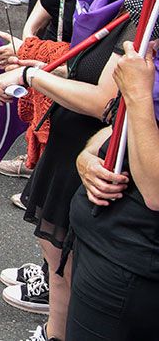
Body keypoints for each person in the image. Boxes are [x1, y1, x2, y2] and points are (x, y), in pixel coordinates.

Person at [0, 0, 157, 341]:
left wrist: (31, 74)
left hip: (126, 228)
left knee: (66, 265)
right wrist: (28, 56)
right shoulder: (119, 3)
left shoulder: (142, 23)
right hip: (78, 148)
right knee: (59, 258)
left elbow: (108, 99)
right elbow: (86, 65)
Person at [68, 29, 159, 339]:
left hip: (132, 265)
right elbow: (124, 128)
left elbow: (156, 191)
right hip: (103, 242)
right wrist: (89, 156)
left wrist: (138, 94)